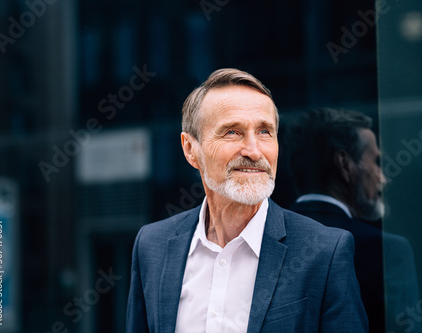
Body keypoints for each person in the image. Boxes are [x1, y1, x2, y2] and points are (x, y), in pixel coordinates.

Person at [126, 69, 368, 333]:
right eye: (232, 132)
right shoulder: (152, 246)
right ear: (190, 150)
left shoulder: (325, 252)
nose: (254, 151)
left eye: (265, 131)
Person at [286, 108, 420, 333]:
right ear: (345, 164)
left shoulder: (259, 240)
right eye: (376, 161)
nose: (383, 178)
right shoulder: (386, 251)